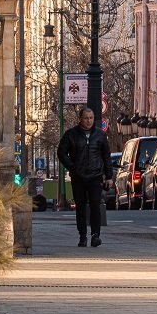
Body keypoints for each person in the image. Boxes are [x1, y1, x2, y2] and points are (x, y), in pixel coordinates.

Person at [57, 104, 112, 248]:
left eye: (91, 118)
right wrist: (72, 167)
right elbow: (61, 152)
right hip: (79, 176)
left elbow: (106, 156)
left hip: (95, 175)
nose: (89, 121)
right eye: (86, 118)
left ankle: (95, 235)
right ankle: (82, 236)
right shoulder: (71, 134)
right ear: (80, 119)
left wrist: (109, 176)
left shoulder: (100, 135)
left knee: (95, 204)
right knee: (80, 206)